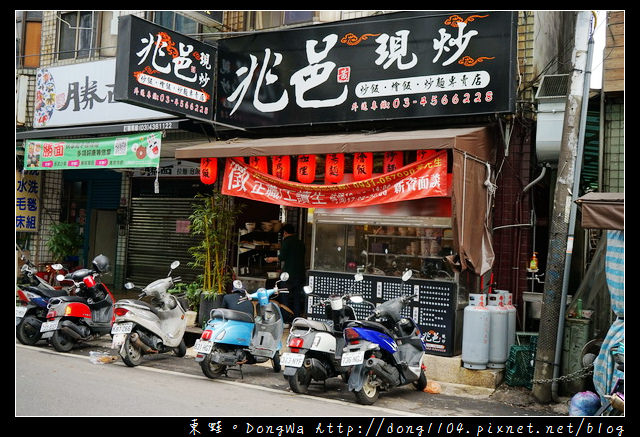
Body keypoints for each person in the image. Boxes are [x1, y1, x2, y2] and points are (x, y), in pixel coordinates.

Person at [265, 223, 306, 320]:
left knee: (284, 296)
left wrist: (271, 259)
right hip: (300, 274)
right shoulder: (300, 242)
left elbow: (282, 257)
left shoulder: (287, 242)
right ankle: (296, 318)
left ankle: (285, 319)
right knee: (296, 297)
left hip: (288, 275)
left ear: (285, 233)